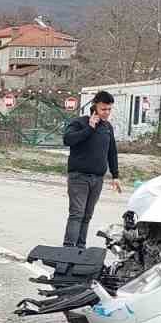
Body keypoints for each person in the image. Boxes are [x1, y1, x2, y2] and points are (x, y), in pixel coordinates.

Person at [61, 91, 121, 249]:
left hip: (97, 179)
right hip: (79, 177)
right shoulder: (80, 122)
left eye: (109, 109)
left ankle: (81, 248)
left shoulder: (107, 127)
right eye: (103, 109)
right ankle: (69, 249)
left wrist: (115, 175)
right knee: (77, 214)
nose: (106, 113)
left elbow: (112, 152)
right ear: (95, 107)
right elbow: (67, 140)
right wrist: (90, 128)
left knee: (87, 215)